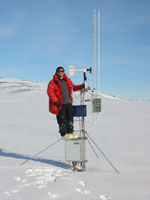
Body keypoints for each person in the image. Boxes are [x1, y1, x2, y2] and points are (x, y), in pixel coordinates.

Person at [47, 66, 85, 140]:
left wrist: (80, 86)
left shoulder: (68, 80)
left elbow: (73, 87)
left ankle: (70, 133)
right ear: (56, 72)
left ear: (64, 72)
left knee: (70, 118)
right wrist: (56, 101)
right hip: (60, 104)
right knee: (62, 119)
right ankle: (64, 134)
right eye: (59, 71)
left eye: (62, 71)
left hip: (69, 103)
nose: (61, 72)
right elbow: (50, 93)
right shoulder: (53, 82)